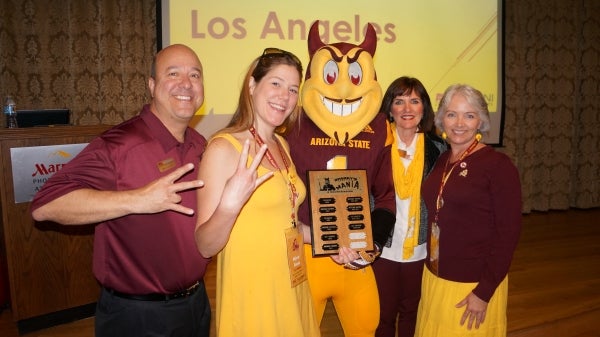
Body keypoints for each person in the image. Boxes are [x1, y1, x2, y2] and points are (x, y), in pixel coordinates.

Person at [30, 44, 211, 337]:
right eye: (173, 73)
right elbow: (46, 205)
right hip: (138, 317)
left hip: (196, 304)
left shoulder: (200, 144)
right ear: (152, 86)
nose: (186, 84)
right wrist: (138, 199)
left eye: (195, 75)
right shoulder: (120, 144)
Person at [194, 48, 321, 337]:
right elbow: (204, 245)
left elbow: (288, 222)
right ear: (252, 85)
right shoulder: (223, 148)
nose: (284, 96)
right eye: (275, 83)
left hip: (292, 281)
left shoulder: (282, 145)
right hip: (254, 294)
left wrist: (334, 241)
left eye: (292, 89)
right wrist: (229, 205)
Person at [286, 21, 396, 337]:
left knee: (366, 323)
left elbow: (387, 195)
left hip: (355, 256)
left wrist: (371, 243)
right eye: (332, 75)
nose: (344, 89)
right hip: (307, 253)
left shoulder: (379, 129)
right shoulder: (292, 122)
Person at [416, 84, 522, 336]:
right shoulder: (443, 159)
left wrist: (483, 292)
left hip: (471, 285)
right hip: (435, 275)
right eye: (452, 114)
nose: (459, 123)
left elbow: (507, 235)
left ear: (480, 121)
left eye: (469, 115)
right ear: (442, 119)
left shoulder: (498, 166)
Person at [372, 76, 446, 337]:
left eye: (414, 101)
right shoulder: (375, 146)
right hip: (383, 246)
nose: (407, 109)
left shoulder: (439, 149)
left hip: (421, 247)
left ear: (424, 108)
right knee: (382, 314)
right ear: (389, 108)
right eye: (399, 101)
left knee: (412, 312)